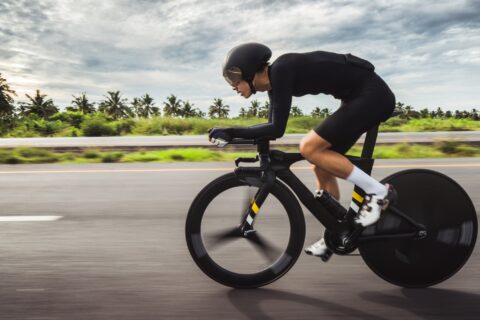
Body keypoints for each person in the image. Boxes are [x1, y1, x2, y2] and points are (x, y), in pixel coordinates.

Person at [208, 42, 397, 259]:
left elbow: (276, 128)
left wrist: (231, 132)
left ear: (250, 71)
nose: (233, 86)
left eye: (234, 78)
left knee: (309, 147)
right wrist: (233, 134)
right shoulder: (275, 86)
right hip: (357, 98)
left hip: (372, 95)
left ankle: (379, 193)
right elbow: (272, 129)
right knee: (320, 162)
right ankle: (339, 231)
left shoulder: (281, 69)